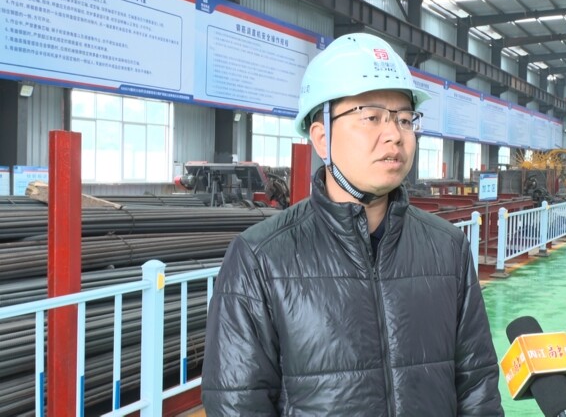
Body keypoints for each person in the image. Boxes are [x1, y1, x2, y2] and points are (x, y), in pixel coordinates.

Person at [201, 33, 504, 416]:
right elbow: (238, 403)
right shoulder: (260, 258)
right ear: (322, 138)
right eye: (371, 117)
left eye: (404, 119)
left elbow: (477, 389)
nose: (394, 134)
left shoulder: (447, 248)